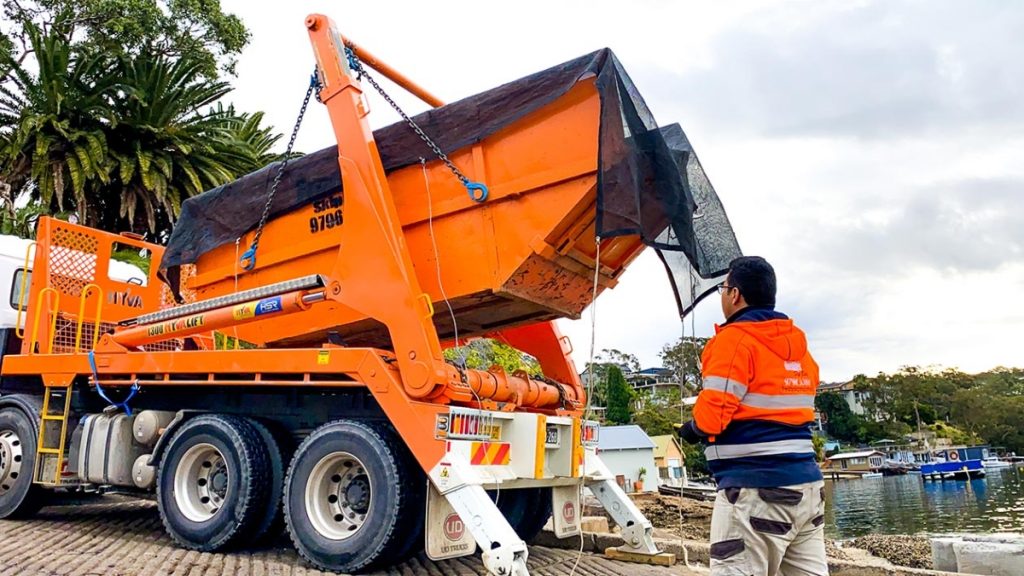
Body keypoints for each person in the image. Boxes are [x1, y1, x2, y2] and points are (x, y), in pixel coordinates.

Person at [677, 256, 826, 576]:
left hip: (755, 490)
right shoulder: (799, 347)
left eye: (722, 288)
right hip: (807, 489)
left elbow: (712, 416)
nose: (722, 296)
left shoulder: (734, 341)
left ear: (735, 294)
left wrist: (691, 428)